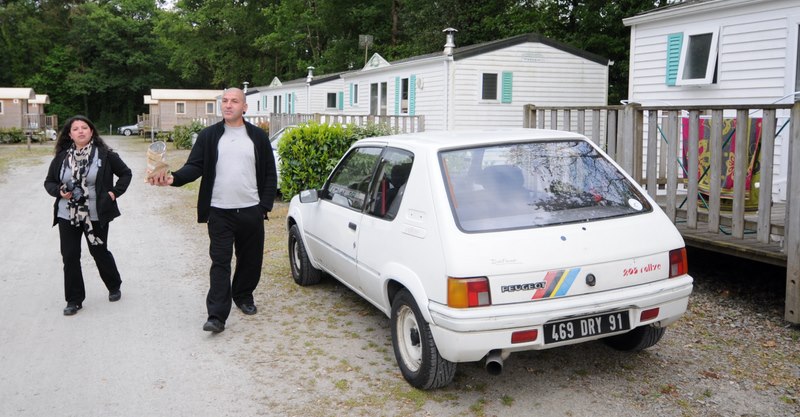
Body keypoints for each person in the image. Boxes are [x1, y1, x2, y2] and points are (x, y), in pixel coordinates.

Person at [149, 88, 277, 333]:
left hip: (251, 210)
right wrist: (173, 178)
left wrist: (264, 206)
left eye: (234, 101)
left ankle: (243, 296)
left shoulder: (258, 137)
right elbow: (194, 167)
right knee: (220, 262)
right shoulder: (209, 136)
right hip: (219, 211)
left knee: (250, 260)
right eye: (225, 101)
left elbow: (270, 173)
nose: (228, 105)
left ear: (244, 107)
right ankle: (216, 316)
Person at [44, 115, 132, 316]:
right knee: (70, 256)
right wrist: (59, 191)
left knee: (99, 251)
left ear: (91, 131)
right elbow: (49, 182)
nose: (80, 131)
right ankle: (74, 300)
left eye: (84, 127)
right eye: (75, 129)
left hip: (96, 214)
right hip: (67, 214)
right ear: (70, 134)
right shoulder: (62, 157)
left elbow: (126, 173)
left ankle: (114, 285)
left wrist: (114, 193)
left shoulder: (105, 155)